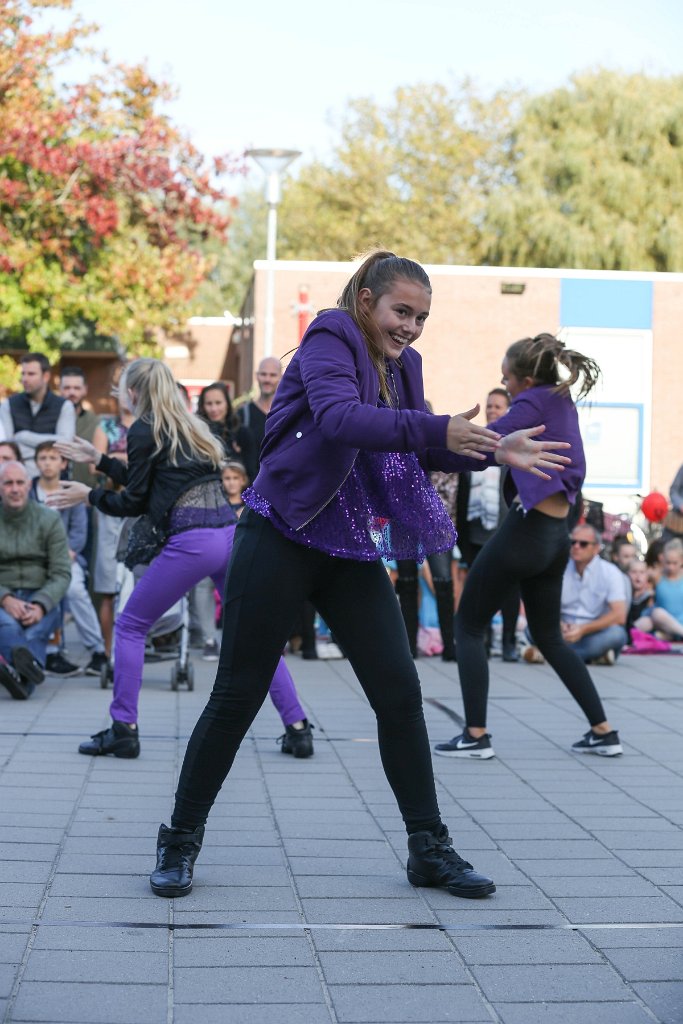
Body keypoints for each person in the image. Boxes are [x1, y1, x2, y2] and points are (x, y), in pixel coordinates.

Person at [146, 250, 570, 901]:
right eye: (402, 311)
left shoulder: (407, 365)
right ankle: (178, 839)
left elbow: (425, 444)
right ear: (367, 300)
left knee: (399, 695)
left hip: (347, 550)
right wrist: (441, 429)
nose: (411, 327)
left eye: (422, 317)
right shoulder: (330, 333)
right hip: (279, 537)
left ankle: (428, 849)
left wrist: (491, 447)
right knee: (236, 697)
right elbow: (342, 417)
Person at [49, 360, 313, 761]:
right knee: (255, 638)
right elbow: (157, 484)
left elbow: (135, 500)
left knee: (131, 626)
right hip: (229, 536)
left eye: (123, 388)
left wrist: (89, 495)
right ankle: (298, 727)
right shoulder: (191, 426)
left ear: (135, 393)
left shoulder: (143, 429)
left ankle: (123, 728)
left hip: (193, 542)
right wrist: (100, 461)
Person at [435, 332, 623, 762]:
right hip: (555, 535)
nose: (504, 384)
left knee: (467, 625)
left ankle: (476, 735)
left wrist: (439, 433)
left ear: (522, 378)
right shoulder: (561, 400)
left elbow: (488, 442)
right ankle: (603, 730)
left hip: (527, 532)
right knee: (548, 636)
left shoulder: (532, 401)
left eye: (506, 378)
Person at [455, 387, 522, 662]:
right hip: (474, 531)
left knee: (508, 588)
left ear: (507, 410)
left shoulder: (515, 444)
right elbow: (463, 487)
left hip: (505, 531)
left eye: (498, 406)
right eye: (490, 406)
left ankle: (508, 642)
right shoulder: (477, 442)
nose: (493, 410)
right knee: (478, 587)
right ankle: (480, 639)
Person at [30, 441, 107, 677]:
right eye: (43, 458)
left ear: (63, 463)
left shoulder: (71, 492)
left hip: (66, 560)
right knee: (44, 590)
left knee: (74, 590)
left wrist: (61, 560)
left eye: (53, 458)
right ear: (36, 462)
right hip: (34, 560)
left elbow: (78, 536)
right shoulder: (28, 492)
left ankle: (98, 651)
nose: (48, 463)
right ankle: (51, 652)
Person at [0, 461, 71, 699]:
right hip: (3, 598)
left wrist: (41, 605)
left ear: (29, 486)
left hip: (40, 595)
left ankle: (14, 670)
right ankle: (28, 677)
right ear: (0, 488)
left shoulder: (49, 519)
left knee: (34, 631)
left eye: (20, 482)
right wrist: (5, 598)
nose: (14, 489)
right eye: (8, 483)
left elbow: (62, 572)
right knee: (8, 625)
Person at [557, 523, 629, 665]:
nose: (576, 547)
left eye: (583, 544)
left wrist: (583, 629)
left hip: (593, 631)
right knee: (533, 628)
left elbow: (620, 615)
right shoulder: (560, 567)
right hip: (561, 630)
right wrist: (559, 624)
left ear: (596, 548)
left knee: (617, 635)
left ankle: (557, 655)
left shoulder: (610, 572)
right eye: (573, 542)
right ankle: (593, 655)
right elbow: (545, 604)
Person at [0, 353, 76, 477]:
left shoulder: (64, 406)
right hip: (17, 481)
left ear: (46, 376)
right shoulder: (8, 404)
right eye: (23, 373)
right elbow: (7, 449)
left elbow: (66, 444)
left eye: (31, 374)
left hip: (55, 482)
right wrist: (52, 443)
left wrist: (23, 436)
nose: (24, 379)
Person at [196, 382, 257, 482]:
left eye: (218, 403)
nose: (214, 409)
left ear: (227, 404)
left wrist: (249, 498)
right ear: (202, 406)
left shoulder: (242, 433)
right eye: (209, 403)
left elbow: (252, 474)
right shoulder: (197, 434)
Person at [237, 357, 282, 470]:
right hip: (250, 483)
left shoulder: (286, 413)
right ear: (256, 376)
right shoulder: (243, 414)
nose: (267, 379)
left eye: (273, 375)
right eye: (263, 374)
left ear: (281, 377)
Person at [635, 538, 683, 640]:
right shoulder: (657, 576)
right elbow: (639, 574)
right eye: (668, 563)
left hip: (681, 620)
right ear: (662, 559)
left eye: (674, 563)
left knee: (657, 616)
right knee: (646, 620)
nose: (671, 567)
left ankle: (671, 635)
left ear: (681, 560)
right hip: (662, 621)